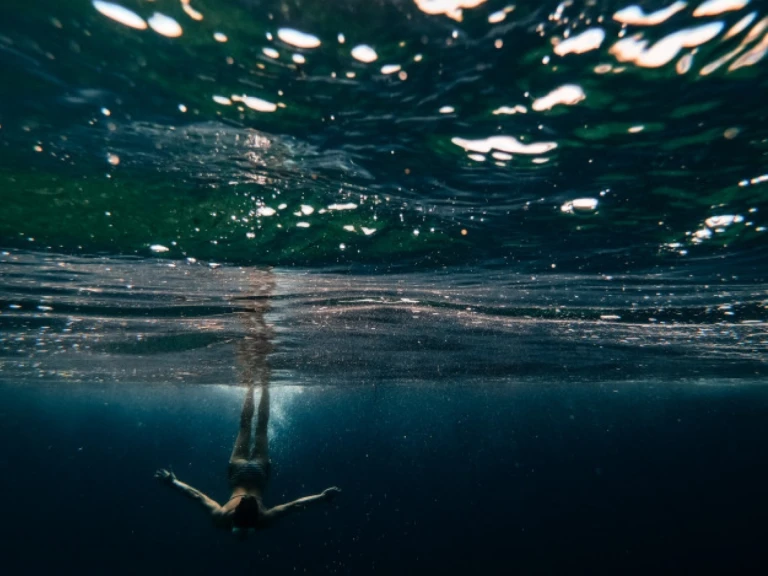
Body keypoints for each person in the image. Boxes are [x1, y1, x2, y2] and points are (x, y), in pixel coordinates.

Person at [155, 270, 340, 536]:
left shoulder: (237, 517)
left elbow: (197, 497)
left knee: (255, 426)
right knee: (250, 426)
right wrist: (321, 498)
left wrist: (174, 483)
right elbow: (294, 506)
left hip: (248, 470)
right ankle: (258, 385)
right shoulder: (242, 517)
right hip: (244, 469)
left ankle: (259, 385)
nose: (245, 504)